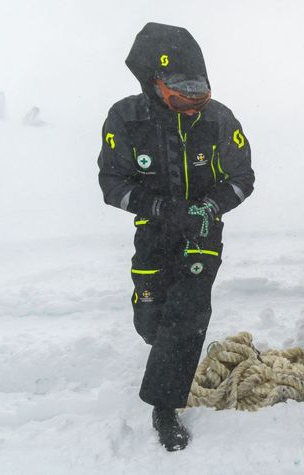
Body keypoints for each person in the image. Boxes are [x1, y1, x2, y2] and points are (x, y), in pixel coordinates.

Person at [97, 23, 254, 451]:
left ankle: (164, 407)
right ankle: (164, 341)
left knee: (187, 314)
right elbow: (112, 183)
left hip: (203, 230)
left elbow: (243, 177)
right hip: (154, 230)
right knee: (151, 321)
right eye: (183, 94)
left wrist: (208, 207)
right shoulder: (126, 118)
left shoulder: (219, 119)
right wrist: (162, 208)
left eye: (199, 93)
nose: (193, 103)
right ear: (157, 85)